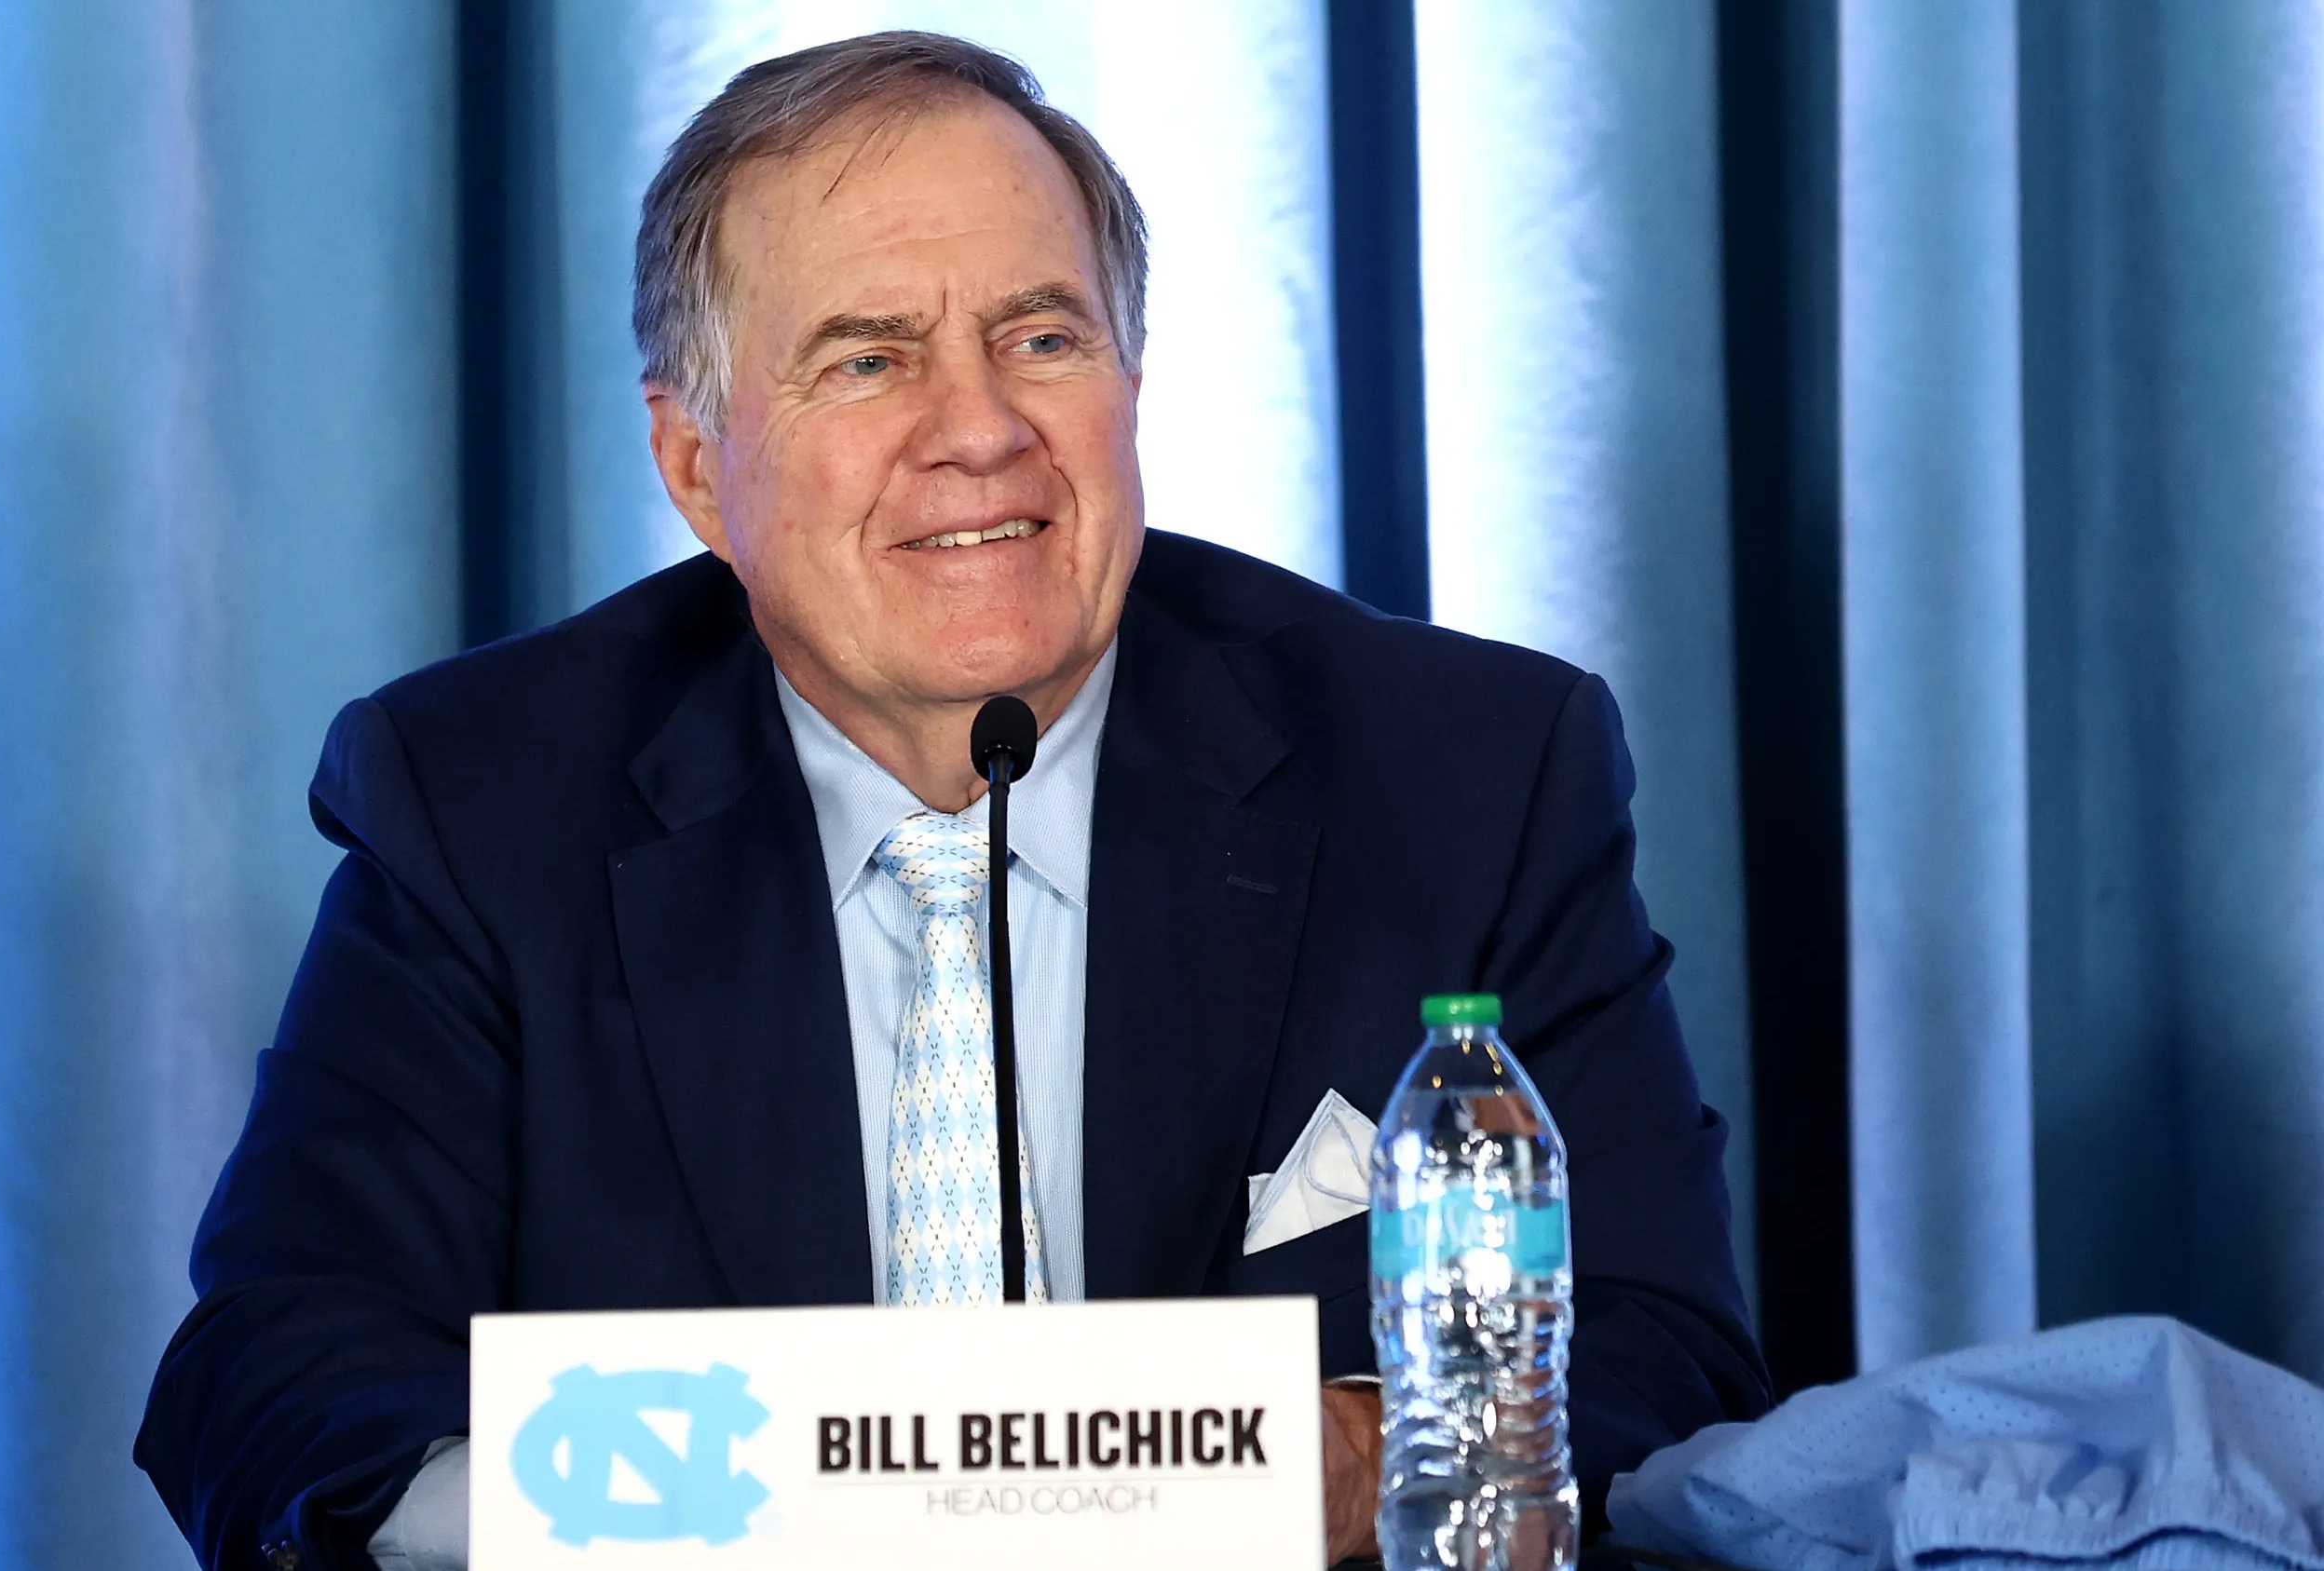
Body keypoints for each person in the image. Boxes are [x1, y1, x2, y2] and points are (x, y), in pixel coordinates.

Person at [136, 30, 1769, 1571]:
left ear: (1131, 384)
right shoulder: (486, 804)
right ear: (697, 466)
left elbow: (1659, 1353)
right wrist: (642, 1509)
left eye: (1042, 339)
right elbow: (278, 1375)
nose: (981, 431)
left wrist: (1356, 1454)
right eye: (869, 360)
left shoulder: (1467, 771)